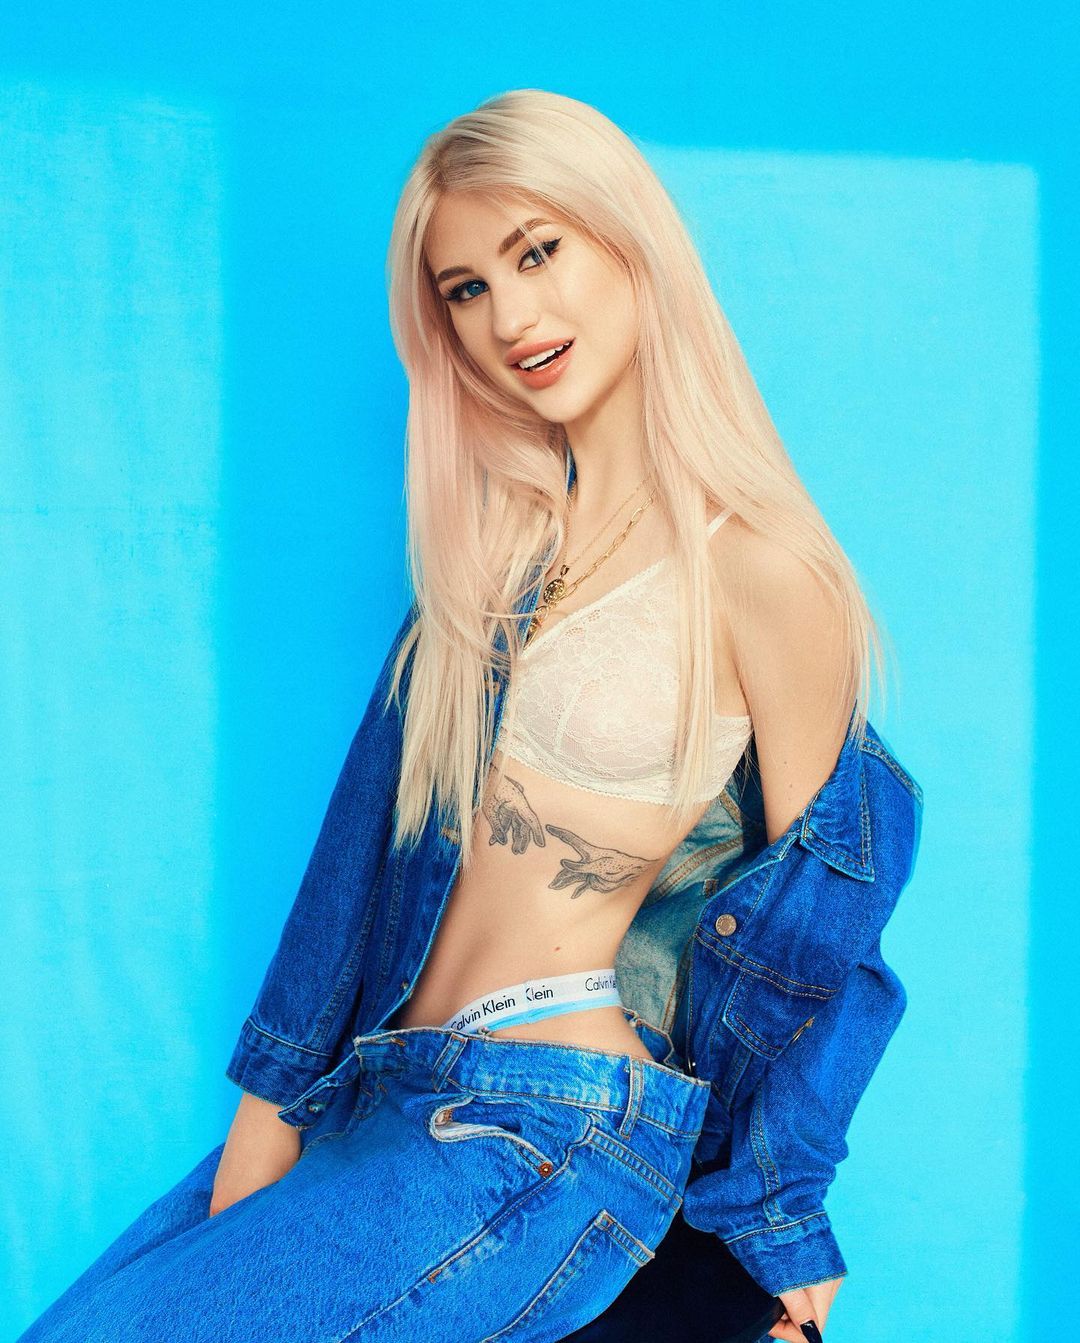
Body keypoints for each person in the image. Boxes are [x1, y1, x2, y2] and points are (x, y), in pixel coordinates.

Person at [17, 90, 923, 1343]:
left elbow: (827, 933)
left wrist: (779, 1220)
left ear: (629, 242)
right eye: (466, 288)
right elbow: (347, 878)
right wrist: (264, 1127)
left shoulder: (762, 573)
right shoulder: (486, 565)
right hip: (376, 1096)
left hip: (542, 1119)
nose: (509, 316)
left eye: (537, 252)